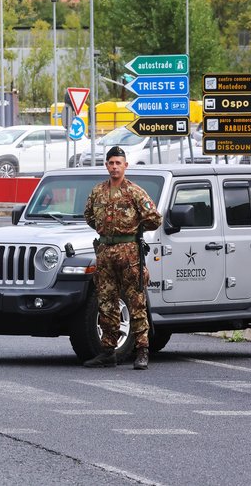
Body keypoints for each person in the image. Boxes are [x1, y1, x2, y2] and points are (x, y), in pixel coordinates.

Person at [83, 146, 162, 370]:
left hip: (129, 252)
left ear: (125, 166)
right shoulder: (98, 191)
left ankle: (142, 350)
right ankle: (108, 351)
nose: (114, 167)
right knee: (106, 303)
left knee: (136, 301)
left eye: (118, 163)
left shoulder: (135, 191)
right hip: (105, 252)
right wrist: (106, 231)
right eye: (111, 163)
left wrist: (133, 230)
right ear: (106, 165)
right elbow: (88, 216)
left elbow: (154, 219)